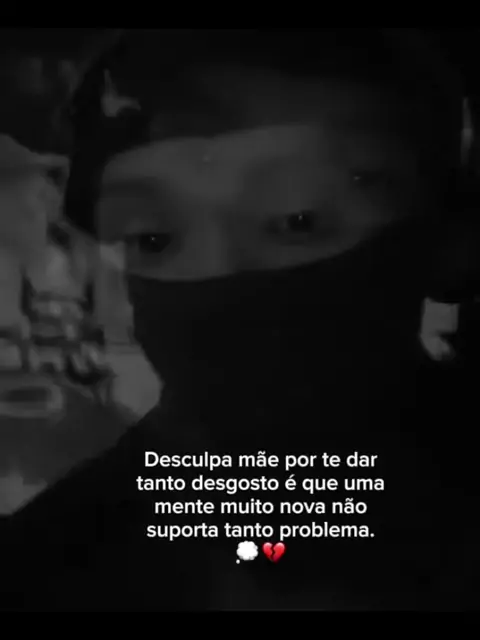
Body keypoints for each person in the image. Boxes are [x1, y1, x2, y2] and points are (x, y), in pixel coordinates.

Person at [1, 28, 478, 611]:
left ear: (453, 238)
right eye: (155, 234)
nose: (219, 276)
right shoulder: (52, 564)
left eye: (298, 219)